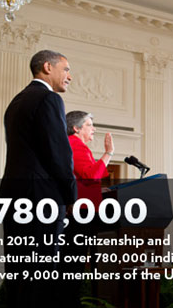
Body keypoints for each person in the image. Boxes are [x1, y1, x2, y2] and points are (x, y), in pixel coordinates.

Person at [0, 50, 76, 307]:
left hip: (13, 196)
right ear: (47, 67)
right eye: (65, 69)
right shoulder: (48, 99)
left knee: (19, 273)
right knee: (40, 274)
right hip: (39, 198)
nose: (69, 76)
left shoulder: (17, 101)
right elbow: (59, 153)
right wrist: (70, 197)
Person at [57, 110, 114, 307]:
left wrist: (99, 190)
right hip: (79, 214)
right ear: (76, 128)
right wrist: (108, 154)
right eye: (89, 125)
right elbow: (91, 176)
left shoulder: (75, 146)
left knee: (74, 263)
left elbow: (84, 179)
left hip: (80, 211)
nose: (94, 129)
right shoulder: (75, 145)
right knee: (73, 264)